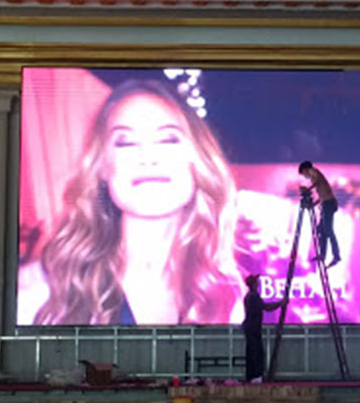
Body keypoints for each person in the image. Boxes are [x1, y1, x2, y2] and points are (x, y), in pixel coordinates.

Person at [23, 77, 242, 326]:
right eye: (125, 142)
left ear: (198, 160)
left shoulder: (239, 291)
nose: (147, 157)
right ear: (102, 167)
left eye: (168, 139)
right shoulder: (43, 292)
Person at [241, 274, 288, 382]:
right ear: (254, 284)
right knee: (255, 352)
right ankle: (255, 376)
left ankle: (252, 376)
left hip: (252, 327)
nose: (259, 283)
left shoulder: (251, 296)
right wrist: (280, 303)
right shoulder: (253, 296)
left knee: (252, 351)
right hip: (252, 328)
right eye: (257, 281)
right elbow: (266, 307)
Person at [297, 160, 340, 268]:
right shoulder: (315, 177)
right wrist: (313, 204)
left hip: (328, 204)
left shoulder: (314, 171)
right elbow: (322, 196)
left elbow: (318, 181)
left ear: (305, 169)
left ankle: (336, 256)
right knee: (321, 230)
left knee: (328, 230)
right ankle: (322, 254)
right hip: (326, 204)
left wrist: (308, 189)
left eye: (303, 173)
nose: (305, 176)